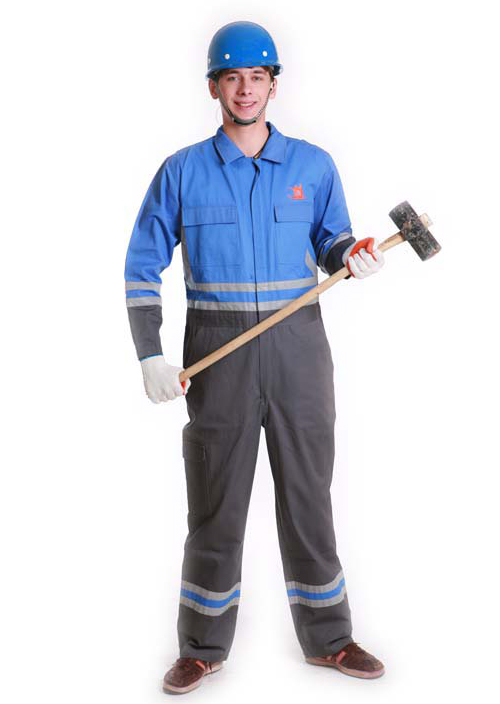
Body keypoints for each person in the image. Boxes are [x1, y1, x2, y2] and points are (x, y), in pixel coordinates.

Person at [124, 20, 386, 695]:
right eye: (233, 77)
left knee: (309, 497)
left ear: (274, 85)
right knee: (215, 504)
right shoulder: (182, 171)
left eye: (258, 77)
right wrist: (150, 353)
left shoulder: (313, 166)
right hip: (219, 356)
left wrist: (352, 255)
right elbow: (141, 266)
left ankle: (330, 639)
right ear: (214, 87)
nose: (246, 89)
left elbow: (332, 240)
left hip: (300, 352)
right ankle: (201, 647)